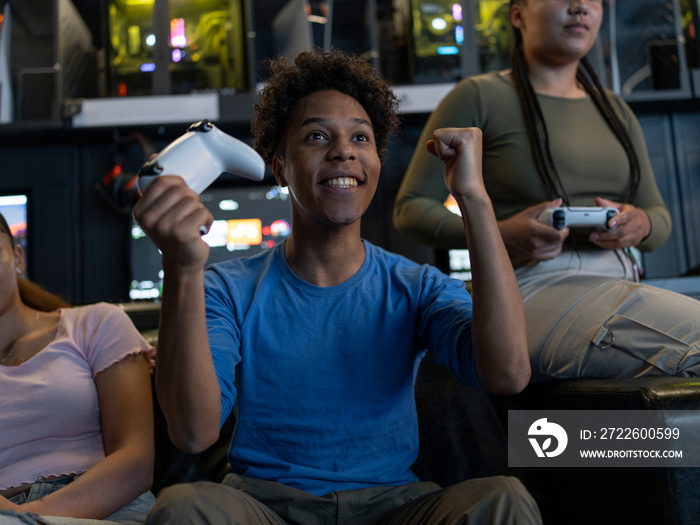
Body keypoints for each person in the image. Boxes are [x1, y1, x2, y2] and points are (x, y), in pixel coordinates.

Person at [133, 50, 541, 524]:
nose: (343, 150)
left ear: (375, 162)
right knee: (185, 508)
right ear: (281, 167)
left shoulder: (417, 286)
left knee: (503, 500)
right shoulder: (226, 287)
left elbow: (508, 374)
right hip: (268, 508)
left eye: (361, 137)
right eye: (316, 136)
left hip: (394, 507)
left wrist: (473, 198)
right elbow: (192, 433)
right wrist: (181, 267)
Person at [394, 0, 700, 381]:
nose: (580, 8)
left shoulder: (615, 110)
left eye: (592, 0)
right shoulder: (478, 96)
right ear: (518, 14)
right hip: (526, 289)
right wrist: (502, 234)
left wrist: (641, 224)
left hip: (623, 280)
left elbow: (659, 218)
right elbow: (410, 208)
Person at [0, 212, 156, 524]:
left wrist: (27, 517)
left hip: (105, 507)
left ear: (18, 258)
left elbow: (136, 462)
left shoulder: (97, 323)